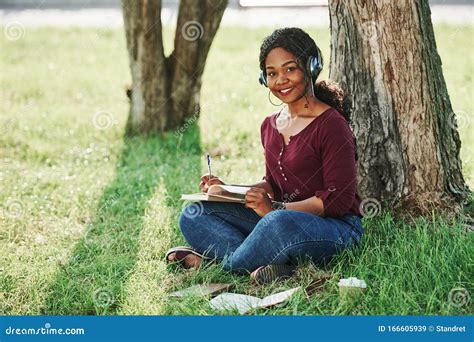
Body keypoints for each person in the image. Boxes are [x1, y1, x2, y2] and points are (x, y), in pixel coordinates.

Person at [166, 27, 364, 284]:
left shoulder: (331, 124)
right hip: (277, 217)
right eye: (272, 73)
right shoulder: (270, 125)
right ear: (264, 79)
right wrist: (227, 191)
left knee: (277, 224)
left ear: (312, 66)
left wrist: (276, 209)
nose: (281, 80)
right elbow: (272, 183)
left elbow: (338, 201)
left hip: (335, 228)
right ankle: (271, 266)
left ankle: (218, 267)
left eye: (290, 69)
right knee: (195, 213)